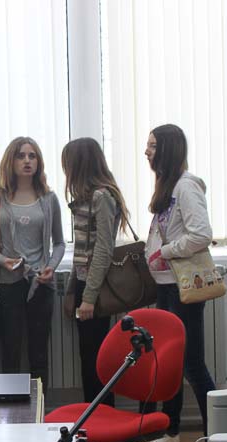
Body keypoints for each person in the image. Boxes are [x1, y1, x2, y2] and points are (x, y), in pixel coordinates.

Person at [137, 123, 216, 442]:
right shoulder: (167, 186)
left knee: (192, 364)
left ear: (168, 149)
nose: (146, 152)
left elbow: (202, 234)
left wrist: (166, 251)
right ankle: (170, 431)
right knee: (170, 362)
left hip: (182, 289)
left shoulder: (186, 186)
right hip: (167, 287)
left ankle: (215, 437)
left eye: (153, 146)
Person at [0, 137, 65, 384]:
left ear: (39, 162)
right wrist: (3, 260)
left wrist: (51, 267)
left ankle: (40, 406)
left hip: (41, 283)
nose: (27, 161)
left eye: (32, 156)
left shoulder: (49, 198)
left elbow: (59, 243)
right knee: (10, 351)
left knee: (39, 353)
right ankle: (11, 406)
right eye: (21, 156)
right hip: (9, 284)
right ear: (10, 161)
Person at [62, 138, 131, 406]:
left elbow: (103, 249)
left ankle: (102, 415)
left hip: (97, 287)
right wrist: (72, 291)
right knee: (88, 357)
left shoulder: (102, 197)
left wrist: (89, 297)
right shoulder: (85, 198)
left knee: (96, 360)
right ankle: (93, 415)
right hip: (85, 285)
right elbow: (81, 250)